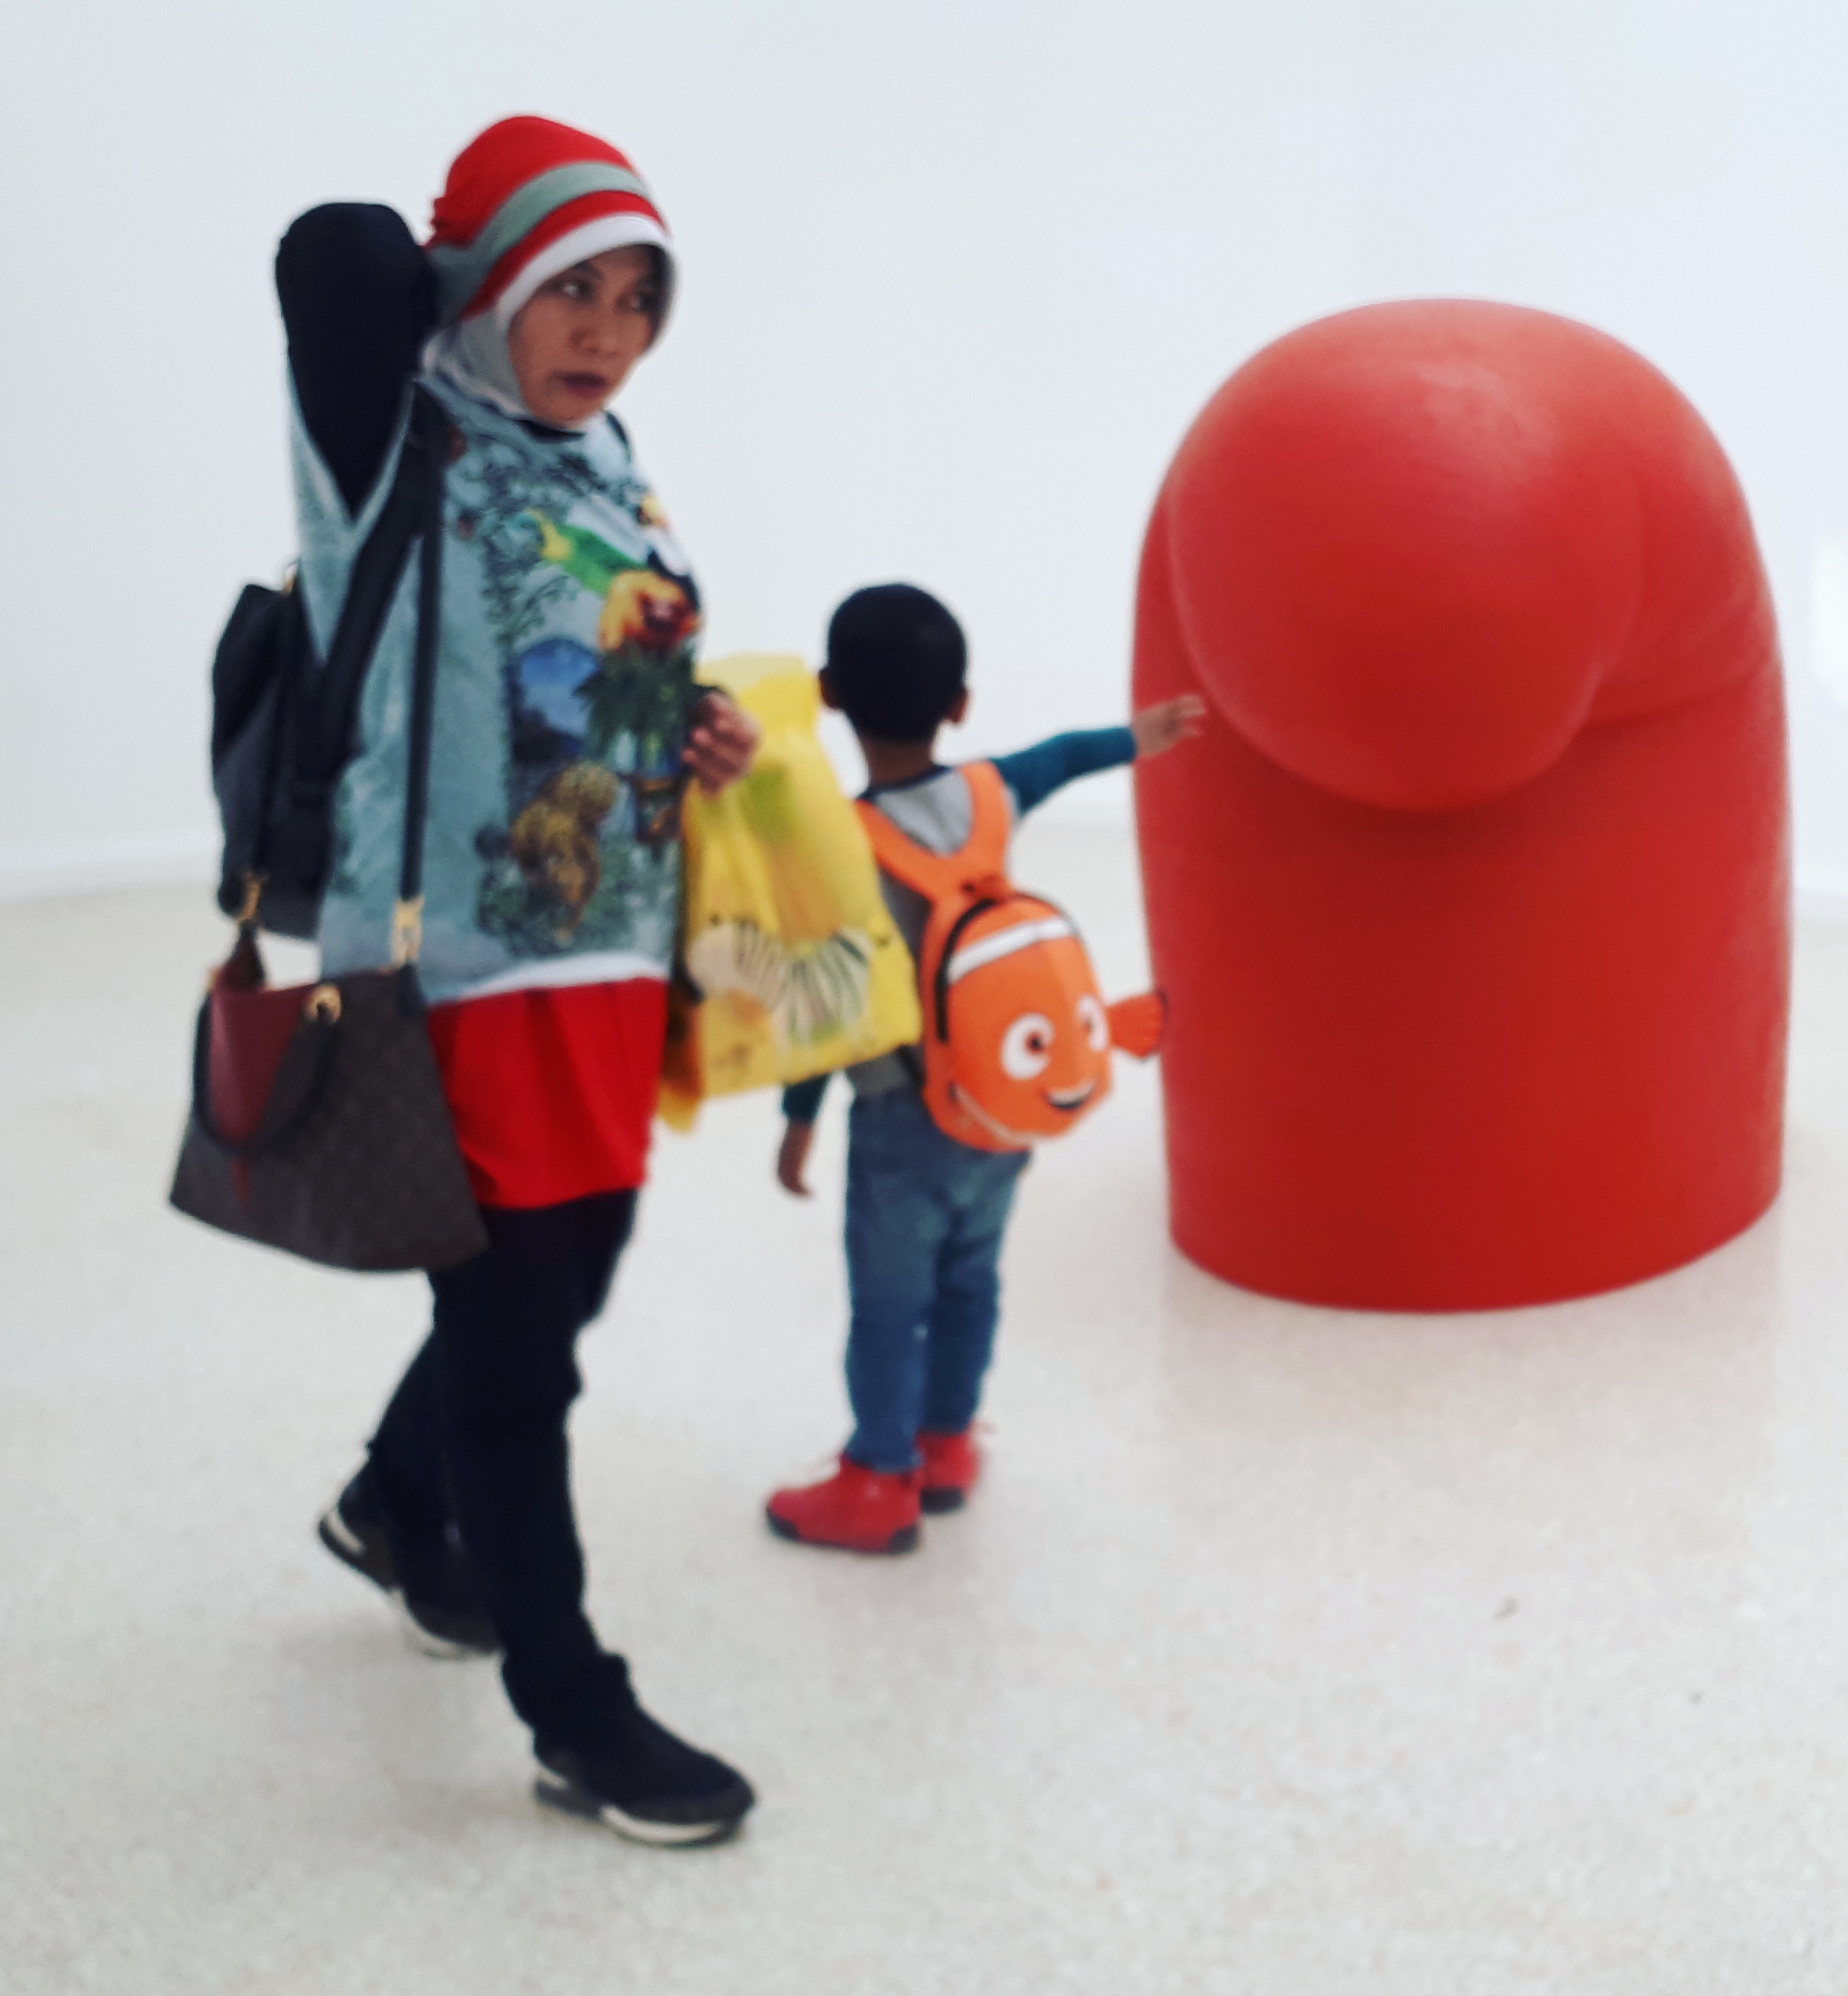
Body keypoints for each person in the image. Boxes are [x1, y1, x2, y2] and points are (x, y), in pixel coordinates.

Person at [283, 116, 762, 1847]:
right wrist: (455, 259)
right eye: (567, 287)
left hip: (612, 950)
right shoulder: (392, 438)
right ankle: (577, 1710)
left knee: (557, 1292)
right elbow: (336, 255)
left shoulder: (606, 456)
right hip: (465, 970)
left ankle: (391, 1502)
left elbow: (594, 663)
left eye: (638, 299)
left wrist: (693, 723)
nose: (604, 333)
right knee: (518, 1353)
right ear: (482, 287)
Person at [765, 584, 1203, 1553]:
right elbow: (1063, 755)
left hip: (898, 1118)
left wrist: (797, 1121)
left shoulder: (834, 842)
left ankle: (879, 1480)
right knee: (971, 1278)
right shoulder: (990, 793)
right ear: (959, 704)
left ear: (830, 693)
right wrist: (1140, 737)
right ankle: (947, 1443)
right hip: (1001, 1104)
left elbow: (824, 1007)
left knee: (889, 1308)